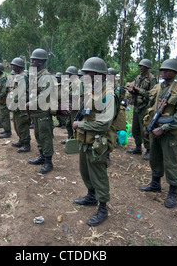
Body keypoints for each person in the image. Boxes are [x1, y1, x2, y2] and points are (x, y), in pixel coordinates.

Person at [72, 57, 117, 226]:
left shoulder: (109, 95)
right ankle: (91, 196)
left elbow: (104, 123)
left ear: (99, 75)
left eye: (88, 73)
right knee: (85, 171)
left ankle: (103, 208)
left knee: (98, 176)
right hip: (86, 140)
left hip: (99, 142)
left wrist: (80, 124)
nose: (84, 76)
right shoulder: (92, 91)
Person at [140, 59, 177, 208]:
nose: (163, 72)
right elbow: (151, 108)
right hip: (154, 130)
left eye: (167, 70)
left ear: (174, 72)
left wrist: (164, 128)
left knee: (171, 162)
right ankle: (155, 184)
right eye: (162, 70)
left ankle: (172, 192)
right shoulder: (158, 87)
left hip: (168, 133)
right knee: (154, 158)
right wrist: (148, 127)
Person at [27, 48, 56, 174]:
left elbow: (44, 96)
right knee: (38, 135)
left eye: (34, 60)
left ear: (41, 62)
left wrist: (30, 104)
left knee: (45, 137)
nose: (31, 61)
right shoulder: (36, 76)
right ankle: (42, 156)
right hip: (37, 112)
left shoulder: (46, 77)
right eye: (31, 59)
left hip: (44, 112)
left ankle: (48, 162)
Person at [126, 59, 157, 160]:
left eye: (142, 66)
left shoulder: (152, 79)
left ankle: (148, 150)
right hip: (136, 105)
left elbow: (152, 94)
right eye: (140, 66)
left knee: (145, 128)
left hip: (145, 107)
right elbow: (136, 89)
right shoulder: (138, 78)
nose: (140, 67)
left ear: (147, 67)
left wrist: (139, 90)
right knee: (135, 128)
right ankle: (138, 147)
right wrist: (132, 90)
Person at [9, 57, 31, 152]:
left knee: (22, 124)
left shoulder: (23, 76)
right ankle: (21, 140)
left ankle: (26, 144)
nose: (12, 67)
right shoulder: (18, 76)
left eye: (14, 65)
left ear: (19, 66)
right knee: (17, 123)